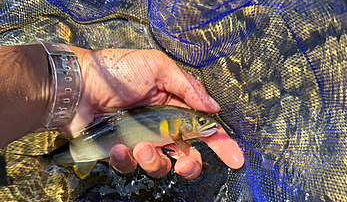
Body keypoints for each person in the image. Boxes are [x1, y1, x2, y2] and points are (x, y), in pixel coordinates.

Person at [0, 43, 244, 179]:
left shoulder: (177, 123)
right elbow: (179, 142)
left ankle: (44, 162)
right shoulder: (178, 132)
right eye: (200, 122)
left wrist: (84, 76)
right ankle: (44, 163)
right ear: (184, 126)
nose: (205, 124)